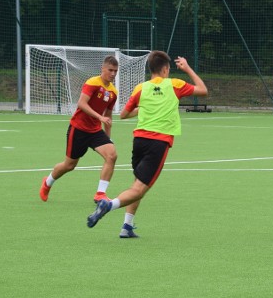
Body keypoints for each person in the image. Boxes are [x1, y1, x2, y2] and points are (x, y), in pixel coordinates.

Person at [86, 50, 207, 238]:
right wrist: (187, 68)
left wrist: (143, 108)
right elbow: (203, 90)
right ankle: (109, 204)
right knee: (139, 188)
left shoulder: (141, 88)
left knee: (139, 183)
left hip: (139, 142)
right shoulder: (175, 84)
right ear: (166, 69)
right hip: (158, 143)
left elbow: (124, 115)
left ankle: (127, 226)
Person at [39, 56, 120, 204]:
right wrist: (99, 118)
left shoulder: (113, 92)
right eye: (110, 70)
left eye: (115, 71)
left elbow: (108, 116)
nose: (113, 74)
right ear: (103, 69)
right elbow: (82, 104)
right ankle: (47, 182)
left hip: (95, 131)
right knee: (69, 165)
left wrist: (108, 137)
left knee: (112, 156)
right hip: (78, 129)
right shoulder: (92, 83)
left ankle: (100, 194)